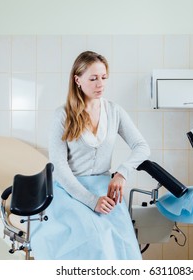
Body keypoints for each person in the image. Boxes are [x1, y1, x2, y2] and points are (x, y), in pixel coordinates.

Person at [30, 51, 150, 260]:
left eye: (103, 77)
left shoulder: (114, 111)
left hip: (105, 189)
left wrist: (121, 173)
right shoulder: (63, 115)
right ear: (77, 80)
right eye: (93, 79)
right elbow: (58, 166)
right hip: (70, 191)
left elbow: (141, 146)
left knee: (122, 246)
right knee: (94, 240)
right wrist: (91, 200)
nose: (100, 84)